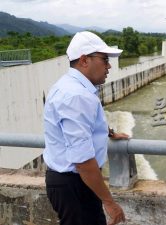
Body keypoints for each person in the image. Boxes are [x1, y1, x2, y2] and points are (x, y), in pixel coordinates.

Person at [43, 31, 129, 225]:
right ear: (84, 60)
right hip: (75, 184)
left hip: (69, 183)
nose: (108, 66)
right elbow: (82, 162)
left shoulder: (67, 86)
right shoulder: (76, 96)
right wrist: (110, 203)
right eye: (105, 60)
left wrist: (108, 132)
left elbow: (78, 125)